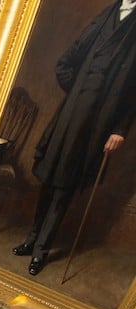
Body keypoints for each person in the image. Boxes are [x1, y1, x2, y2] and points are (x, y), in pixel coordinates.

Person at [12, 1, 136, 276]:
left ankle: (42, 249)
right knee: (49, 177)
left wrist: (119, 129)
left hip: (98, 122)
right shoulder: (107, 14)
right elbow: (67, 61)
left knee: (65, 185)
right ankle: (31, 239)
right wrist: (79, 89)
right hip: (70, 114)